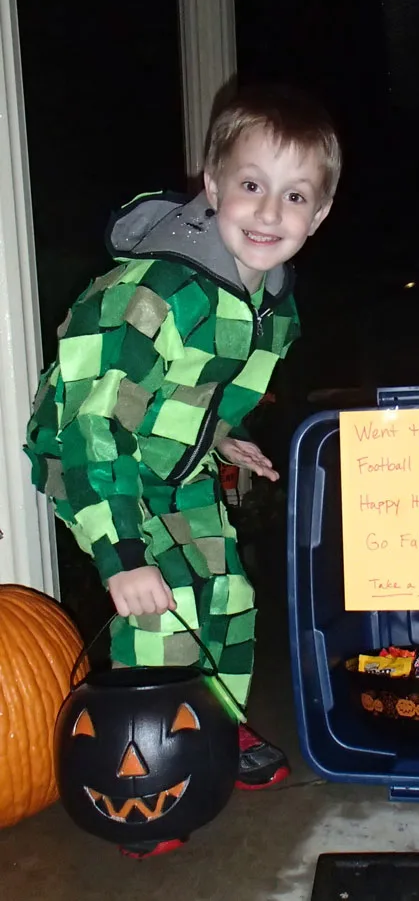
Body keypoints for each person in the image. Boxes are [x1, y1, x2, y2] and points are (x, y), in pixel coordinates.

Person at [24, 84, 341, 856]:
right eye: (252, 185)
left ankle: (216, 731)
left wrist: (223, 435)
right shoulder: (153, 295)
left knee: (225, 595)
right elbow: (92, 422)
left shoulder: (274, 307)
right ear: (212, 184)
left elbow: (199, 389)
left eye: (294, 195)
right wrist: (121, 558)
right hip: (95, 460)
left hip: (174, 461)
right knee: (158, 615)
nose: (269, 214)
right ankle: (143, 773)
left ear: (319, 214)